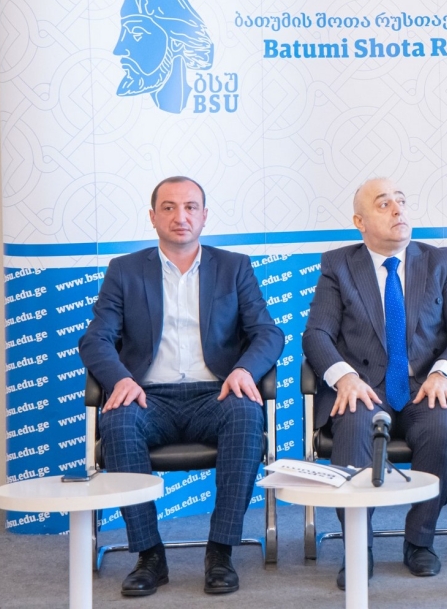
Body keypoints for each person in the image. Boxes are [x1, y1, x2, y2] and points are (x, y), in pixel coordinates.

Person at [79, 176, 282, 597]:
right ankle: (149, 555)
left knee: (247, 413)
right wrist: (121, 379)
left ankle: (221, 550)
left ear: (204, 216)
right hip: (148, 396)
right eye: (168, 207)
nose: (180, 216)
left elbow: (268, 333)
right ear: (153, 217)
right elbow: (95, 339)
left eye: (190, 207)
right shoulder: (124, 270)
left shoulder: (234, 267)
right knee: (117, 421)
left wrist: (244, 370)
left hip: (215, 394)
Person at [302, 177, 447, 590]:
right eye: (384, 204)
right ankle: (357, 546)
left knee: (444, 429)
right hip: (365, 388)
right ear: (360, 222)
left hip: (426, 385)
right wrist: (345, 377)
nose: (398, 210)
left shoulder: (441, 262)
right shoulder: (338, 266)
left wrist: (443, 372)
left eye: (401, 201)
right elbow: (316, 335)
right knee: (353, 425)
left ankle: (420, 540)